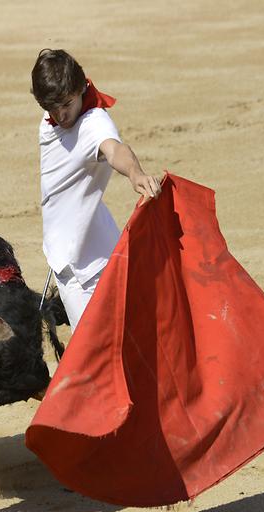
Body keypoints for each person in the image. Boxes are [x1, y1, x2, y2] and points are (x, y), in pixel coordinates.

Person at [31, 48, 162, 330]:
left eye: (66, 104)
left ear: (80, 89)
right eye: (51, 107)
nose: (60, 114)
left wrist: (135, 173)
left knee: (93, 354)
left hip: (82, 269)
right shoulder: (49, 120)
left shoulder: (94, 123)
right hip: (92, 245)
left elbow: (114, 150)